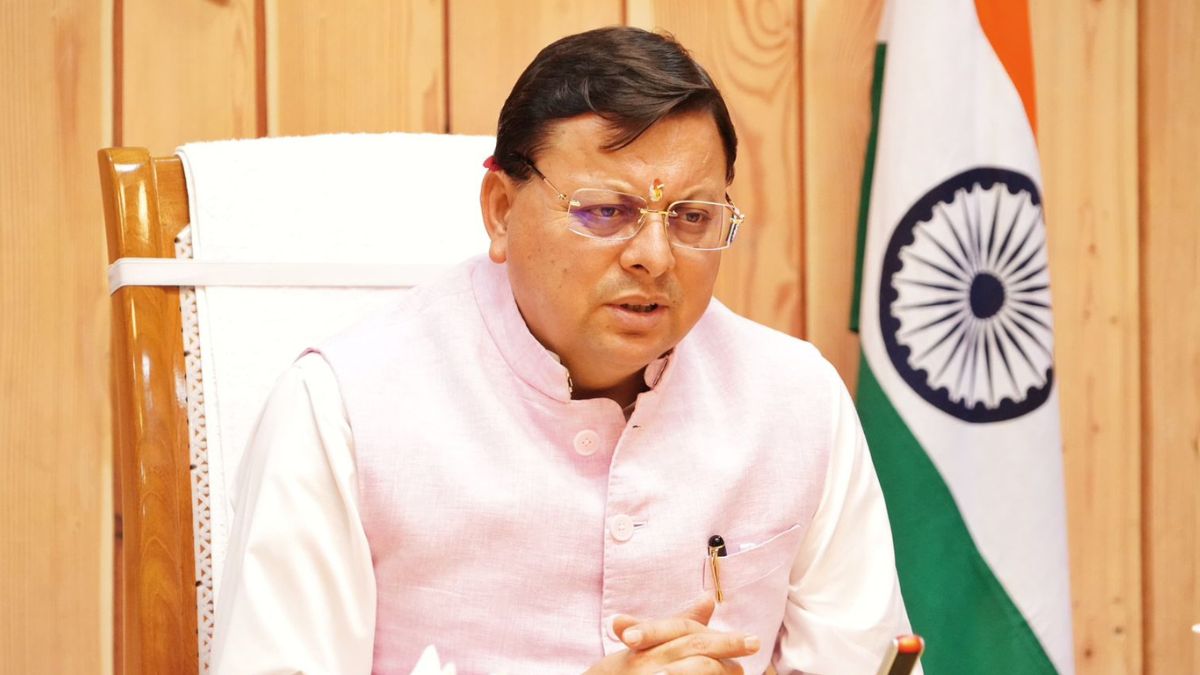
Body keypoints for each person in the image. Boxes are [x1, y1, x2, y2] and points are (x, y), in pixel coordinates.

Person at [212, 26, 914, 675]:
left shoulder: (796, 402)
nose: (654, 256)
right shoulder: (344, 409)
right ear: (500, 210)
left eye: (691, 217)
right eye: (606, 211)